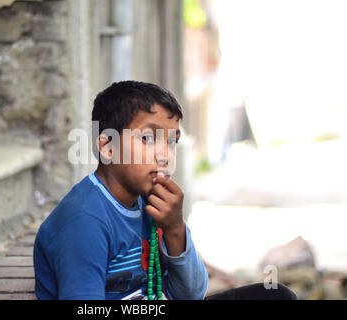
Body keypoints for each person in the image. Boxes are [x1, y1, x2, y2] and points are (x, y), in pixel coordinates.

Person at [33, 80, 296, 301]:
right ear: (107, 147)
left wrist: (174, 229)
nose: (164, 155)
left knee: (277, 296)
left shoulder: (151, 202)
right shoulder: (85, 221)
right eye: (148, 138)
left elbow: (191, 294)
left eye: (172, 142)